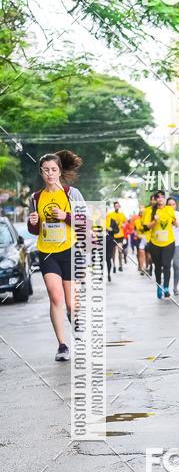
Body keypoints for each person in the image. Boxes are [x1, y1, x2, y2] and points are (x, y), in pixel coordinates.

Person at [27, 150, 85, 361]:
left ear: (60, 171)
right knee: (55, 296)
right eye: (46, 170)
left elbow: (85, 222)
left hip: (70, 250)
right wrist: (33, 222)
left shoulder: (72, 194)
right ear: (41, 172)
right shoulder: (35, 197)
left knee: (71, 303)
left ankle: (75, 321)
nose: (50, 173)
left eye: (53, 169)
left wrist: (65, 215)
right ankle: (62, 345)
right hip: (47, 252)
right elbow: (35, 230)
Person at [142, 190, 176, 299]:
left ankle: (166, 288)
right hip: (155, 243)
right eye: (158, 197)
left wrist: (176, 222)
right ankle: (158, 286)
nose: (160, 199)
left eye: (162, 197)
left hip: (169, 242)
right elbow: (146, 227)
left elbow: (175, 222)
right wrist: (154, 221)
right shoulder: (149, 211)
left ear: (164, 199)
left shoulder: (169, 209)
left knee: (166, 265)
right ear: (155, 199)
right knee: (157, 266)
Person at [167, 196, 179, 295]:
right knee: (166, 265)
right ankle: (165, 286)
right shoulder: (163, 213)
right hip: (166, 242)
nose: (171, 206)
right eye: (169, 204)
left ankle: (175, 287)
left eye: (173, 204)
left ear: (176, 205)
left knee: (176, 264)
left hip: (178, 242)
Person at [105, 201, 127, 272]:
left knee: (120, 250)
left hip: (120, 235)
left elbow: (126, 221)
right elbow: (107, 222)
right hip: (113, 236)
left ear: (119, 206)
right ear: (114, 206)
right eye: (115, 206)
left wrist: (124, 225)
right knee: (113, 251)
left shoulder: (122, 214)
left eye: (118, 206)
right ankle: (114, 265)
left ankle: (120, 265)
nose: (117, 207)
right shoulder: (110, 214)